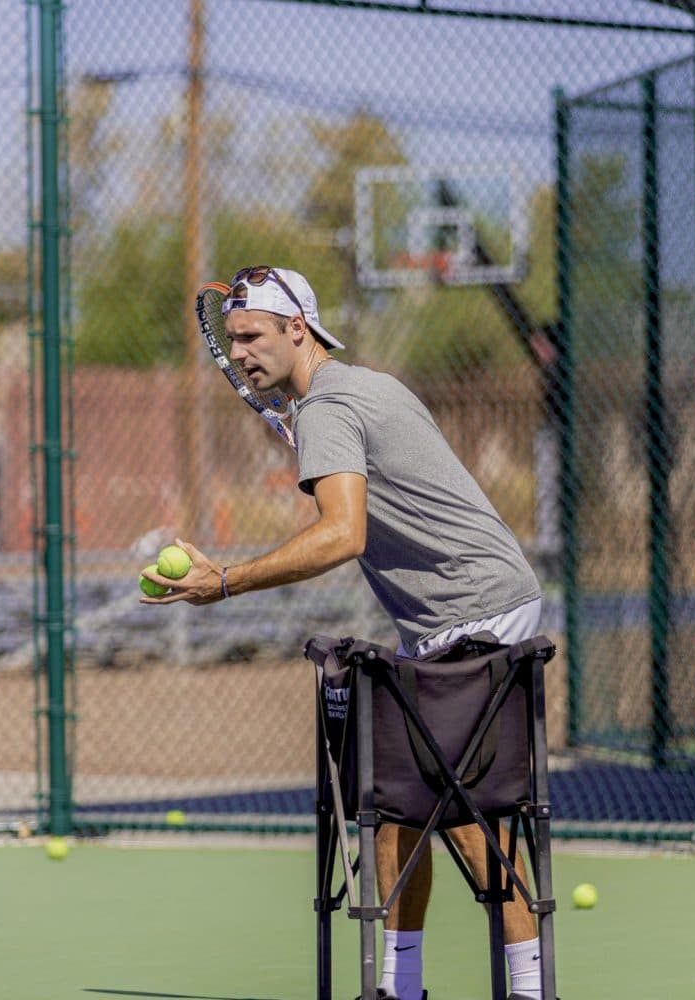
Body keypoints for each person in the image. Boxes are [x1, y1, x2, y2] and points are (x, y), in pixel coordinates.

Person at [141, 265, 546, 1000]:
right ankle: (400, 986)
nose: (240, 353)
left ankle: (529, 989)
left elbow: (341, 534)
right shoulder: (364, 388)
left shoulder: (327, 408)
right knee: (398, 810)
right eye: (233, 340)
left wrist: (225, 581)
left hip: (476, 610)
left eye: (253, 336)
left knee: (460, 814)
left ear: (298, 329)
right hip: (456, 615)